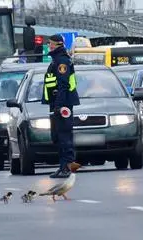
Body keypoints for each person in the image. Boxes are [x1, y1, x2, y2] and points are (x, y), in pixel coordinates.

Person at [41, 34, 81, 178]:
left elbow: (63, 85)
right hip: (56, 103)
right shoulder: (56, 60)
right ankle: (63, 166)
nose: (48, 46)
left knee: (64, 136)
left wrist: (59, 105)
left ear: (57, 45)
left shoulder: (62, 61)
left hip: (63, 105)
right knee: (57, 136)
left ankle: (67, 167)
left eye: (50, 44)